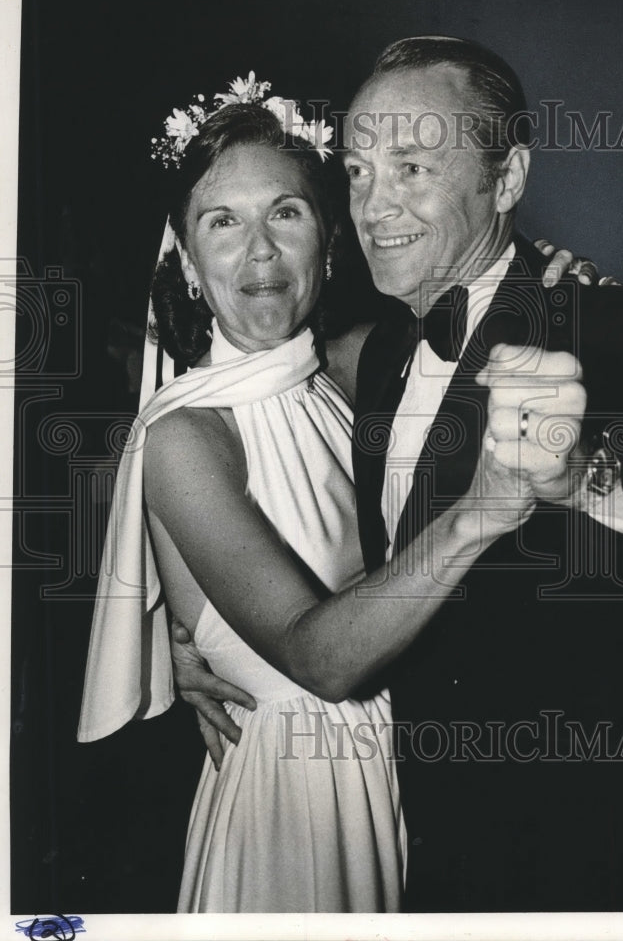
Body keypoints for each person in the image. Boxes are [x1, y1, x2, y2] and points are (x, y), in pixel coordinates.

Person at [182, 38, 623, 913]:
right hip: (426, 846)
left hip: (592, 862)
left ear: (506, 179)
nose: (373, 205)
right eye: (358, 171)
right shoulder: (382, 352)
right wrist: (186, 636)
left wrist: (584, 475)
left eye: (411, 166)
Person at [78, 78, 588, 913]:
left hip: (413, 785)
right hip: (295, 803)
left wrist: (560, 286)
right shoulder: (180, 438)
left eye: (286, 213)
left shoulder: (357, 367)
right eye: (222, 222)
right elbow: (319, 659)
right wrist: (482, 512)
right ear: (184, 255)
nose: (260, 254)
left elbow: (482, 313)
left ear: (328, 239)